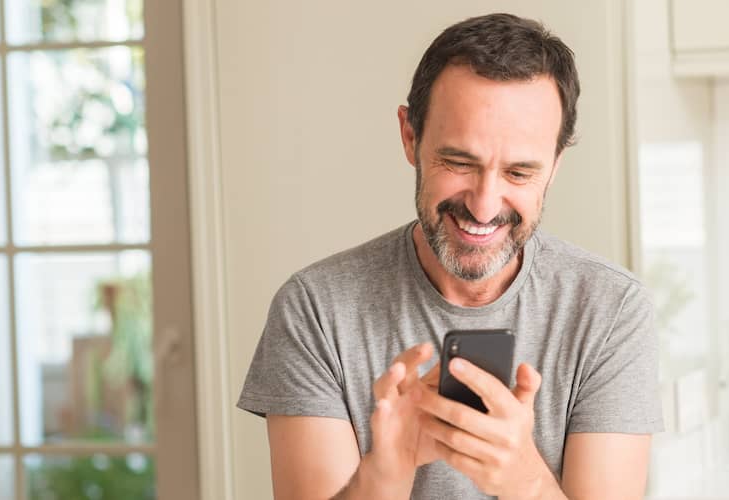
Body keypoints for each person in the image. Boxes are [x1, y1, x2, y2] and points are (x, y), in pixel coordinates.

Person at [237, 13, 662, 500]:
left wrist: (521, 477)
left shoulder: (611, 310)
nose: (484, 204)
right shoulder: (315, 309)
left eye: (520, 173)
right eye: (459, 163)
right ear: (410, 137)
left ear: (555, 166)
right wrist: (387, 471)